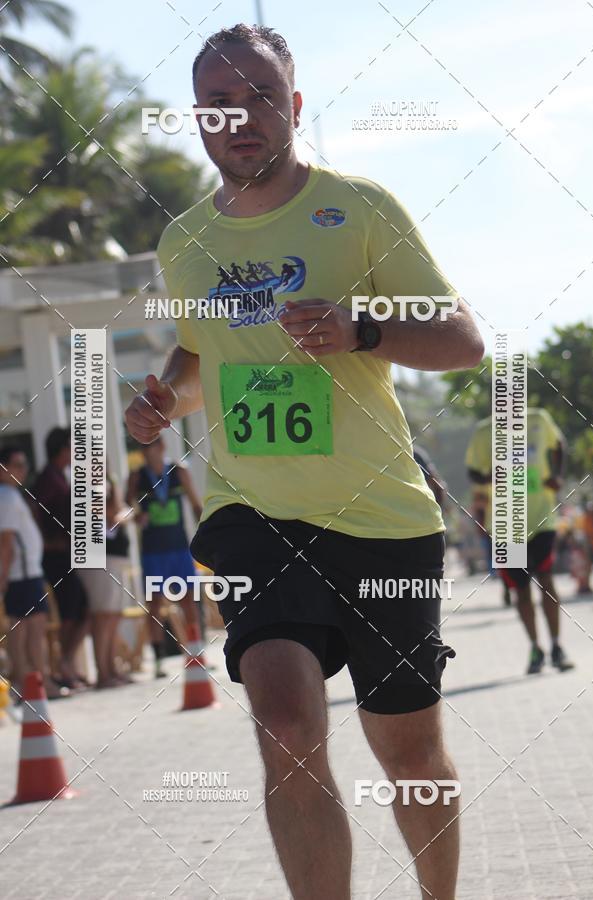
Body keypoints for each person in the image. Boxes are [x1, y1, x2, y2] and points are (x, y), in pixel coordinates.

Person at [125, 24, 484, 900]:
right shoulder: (184, 243)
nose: (238, 115)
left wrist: (363, 330)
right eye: (218, 101)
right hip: (255, 514)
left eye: (257, 96)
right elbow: (205, 355)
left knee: (409, 750)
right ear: (197, 118)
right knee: (286, 727)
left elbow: (463, 341)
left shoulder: (359, 209)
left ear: (291, 107)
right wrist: (166, 398)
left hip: (380, 519)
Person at [466, 407, 574, 674]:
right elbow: (473, 472)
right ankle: (536, 648)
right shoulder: (484, 431)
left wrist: (557, 475)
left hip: (542, 520)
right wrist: (488, 479)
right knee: (521, 589)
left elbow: (560, 444)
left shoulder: (538, 418)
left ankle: (558, 646)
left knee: (546, 579)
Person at [126, 436, 203, 678]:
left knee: (188, 601)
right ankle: (159, 660)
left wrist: (207, 532)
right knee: (155, 604)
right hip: (152, 551)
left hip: (179, 547)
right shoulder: (137, 476)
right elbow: (127, 506)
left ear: (162, 446)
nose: (146, 451)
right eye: (142, 447)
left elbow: (195, 504)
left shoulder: (178, 471)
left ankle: (196, 652)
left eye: (150, 446)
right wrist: (136, 516)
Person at [0, 445, 68, 700]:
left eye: (24, 465)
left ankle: (27, 682)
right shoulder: (6, 496)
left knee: (22, 629)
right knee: (30, 629)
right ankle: (37, 682)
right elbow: (6, 541)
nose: (23, 470)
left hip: (24, 572)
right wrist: (4, 577)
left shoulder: (10, 495)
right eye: (17, 465)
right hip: (23, 573)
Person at [33, 427, 89, 689]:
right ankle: (61, 667)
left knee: (81, 610)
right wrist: (44, 542)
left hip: (65, 555)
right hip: (54, 557)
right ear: (61, 449)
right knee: (68, 612)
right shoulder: (47, 479)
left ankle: (65, 662)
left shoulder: (60, 476)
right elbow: (36, 510)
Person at [77, 465, 132, 688]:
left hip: (115, 555)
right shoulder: (84, 486)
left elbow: (123, 511)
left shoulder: (108, 483)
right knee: (102, 616)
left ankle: (111, 668)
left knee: (113, 615)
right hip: (98, 556)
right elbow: (107, 512)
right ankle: (103, 673)